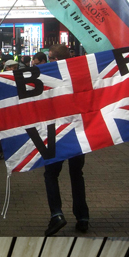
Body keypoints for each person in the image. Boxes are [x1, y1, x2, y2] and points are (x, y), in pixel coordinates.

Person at [41, 44, 90, 236]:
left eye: (51, 58)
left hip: (56, 131)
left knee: (51, 174)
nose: (49, 61)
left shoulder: (48, 76)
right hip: (77, 131)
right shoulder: (78, 74)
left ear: (55, 59)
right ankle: (83, 217)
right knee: (76, 174)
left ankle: (57, 214)